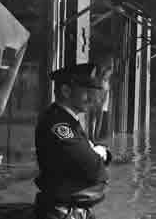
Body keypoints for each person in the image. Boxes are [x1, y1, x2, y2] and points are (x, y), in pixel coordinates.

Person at [34, 63, 112, 219]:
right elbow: (95, 170)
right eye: (86, 92)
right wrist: (100, 154)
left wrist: (99, 154)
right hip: (61, 213)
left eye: (93, 91)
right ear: (66, 91)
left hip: (70, 211)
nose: (91, 98)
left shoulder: (68, 119)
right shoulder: (59, 124)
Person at [88, 63, 113, 142]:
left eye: (110, 74)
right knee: (94, 121)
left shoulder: (105, 81)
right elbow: (99, 92)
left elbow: (105, 93)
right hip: (97, 103)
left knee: (97, 121)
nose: (109, 75)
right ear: (104, 73)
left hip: (100, 104)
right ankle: (92, 137)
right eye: (108, 73)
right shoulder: (100, 81)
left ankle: (94, 137)